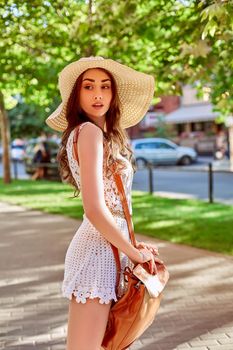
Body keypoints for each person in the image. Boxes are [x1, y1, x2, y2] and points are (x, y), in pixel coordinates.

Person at [46, 56, 159, 350]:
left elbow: (117, 207)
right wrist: (134, 253)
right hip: (96, 254)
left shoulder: (100, 135)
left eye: (105, 87)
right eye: (89, 86)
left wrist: (133, 246)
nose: (98, 94)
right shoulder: (89, 132)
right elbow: (95, 209)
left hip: (110, 250)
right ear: (76, 95)